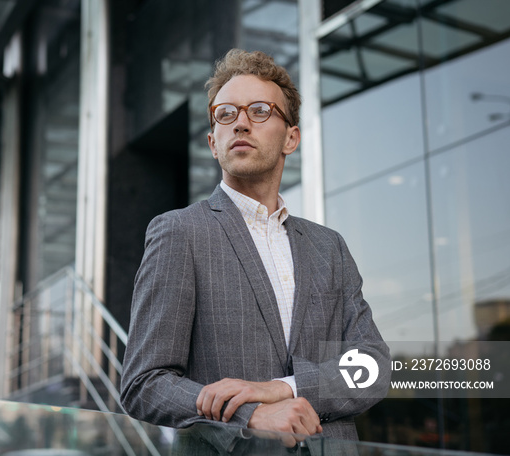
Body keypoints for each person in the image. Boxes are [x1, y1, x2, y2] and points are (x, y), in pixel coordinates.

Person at [120, 49, 390, 451]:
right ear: (214, 143)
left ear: (291, 137)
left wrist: (285, 389)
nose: (241, 122)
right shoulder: (179, 232)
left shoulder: (328, 246)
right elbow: (144, 383)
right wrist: (251, 416)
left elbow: (373, 367)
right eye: (226, 114)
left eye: (260, 111)